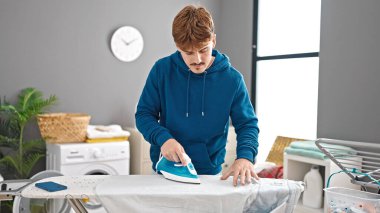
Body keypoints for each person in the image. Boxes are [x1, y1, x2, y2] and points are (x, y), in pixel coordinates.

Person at [135, 5, 259, 186]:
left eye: (203, 50)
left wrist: (245, 157)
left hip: (210, 173)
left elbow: (247, 124)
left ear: (214, 41)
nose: (198, 59)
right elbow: (144, 115)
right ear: (178, 47)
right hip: (165, 172)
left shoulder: (232, 79)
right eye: (189, 52)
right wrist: (164, 140)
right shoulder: (161, 71)